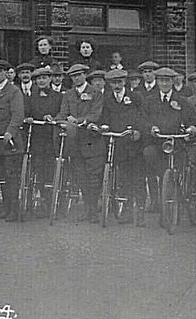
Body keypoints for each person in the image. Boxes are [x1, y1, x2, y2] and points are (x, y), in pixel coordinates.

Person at [141, 67, 196, 217]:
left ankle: (174, 203)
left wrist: (191, 128)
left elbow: (192, 119)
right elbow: (143, 119)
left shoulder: (182, 101)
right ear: (157, 81)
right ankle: (162, 188)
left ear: (172, 81)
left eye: (167, 80)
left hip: (176, 144)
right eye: (161, 80)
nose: (164, 84)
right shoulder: (149, 101)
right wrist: (150, 128)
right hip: (157, 143)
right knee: (148, 153)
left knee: (177, 172)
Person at [52, 63, 104, 223]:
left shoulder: (95, 93)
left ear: (84, 75)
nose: (76, 78)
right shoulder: (68, 95)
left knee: (93, 177)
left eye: (79, 75)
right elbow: (63, 112)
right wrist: (55, 120)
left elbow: (95, 114)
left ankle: (94, 210)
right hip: (74, 141)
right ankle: (87, 208)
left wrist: (79, 121)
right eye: (73, 76)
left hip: (91, 140)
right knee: (81, 177)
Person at [100, 69, 144, 224]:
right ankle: (124, 209)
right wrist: (104, 126)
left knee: (136, 177)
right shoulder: (107, 99)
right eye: (113, 82)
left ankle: (139, 210)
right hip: (116, 141)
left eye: (119, 82)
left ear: (125, 82)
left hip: (132, 142)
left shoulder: (135, 97)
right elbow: (104, 117)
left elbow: (141, 116)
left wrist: (137, 130)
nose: (117, 85)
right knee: (123, 176)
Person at [0, 59, 26, 222]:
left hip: (10, 142)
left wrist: (10, 132)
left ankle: (14, 210)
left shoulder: (14, 91)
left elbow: (18, 115)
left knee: (12, 177)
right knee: (2, 176)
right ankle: (7, 207)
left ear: (6, 73)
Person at [23, 66, 62, 216]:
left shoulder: (58, 97)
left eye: (44, 78)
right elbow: (26, 113)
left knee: (51, 168)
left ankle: (51, 199)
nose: (41, 81)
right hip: (37, 137)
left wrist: (53, 118)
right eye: (39, 78)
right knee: (38, 167)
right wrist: (28, 118)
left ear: (50, 79)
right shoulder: (30, 97)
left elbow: (61, 112)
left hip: (52, 137)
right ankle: (40, 197)